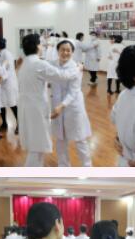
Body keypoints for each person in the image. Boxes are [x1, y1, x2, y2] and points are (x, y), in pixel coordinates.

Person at [17, 33, 79, 166]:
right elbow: (62, 76)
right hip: (35, 108)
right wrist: (78, 69)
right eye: (40, 44)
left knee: (35, 145)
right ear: (36, 46)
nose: (42, 46)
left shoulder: (25, 63)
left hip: (26, 106)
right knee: (37, 146)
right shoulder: (38, 64)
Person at [50, 39, 92, 167]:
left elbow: (73, 91)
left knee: (80, 138)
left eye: (68, 50)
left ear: (72, 52)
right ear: (58, 51)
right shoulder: (52, 64)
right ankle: (63, 166)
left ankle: (87, 167)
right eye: (62, 49)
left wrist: (61, 106)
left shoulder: (76, 67)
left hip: (73, 106)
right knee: (60, 138)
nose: (65, 53)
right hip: (57, 105)